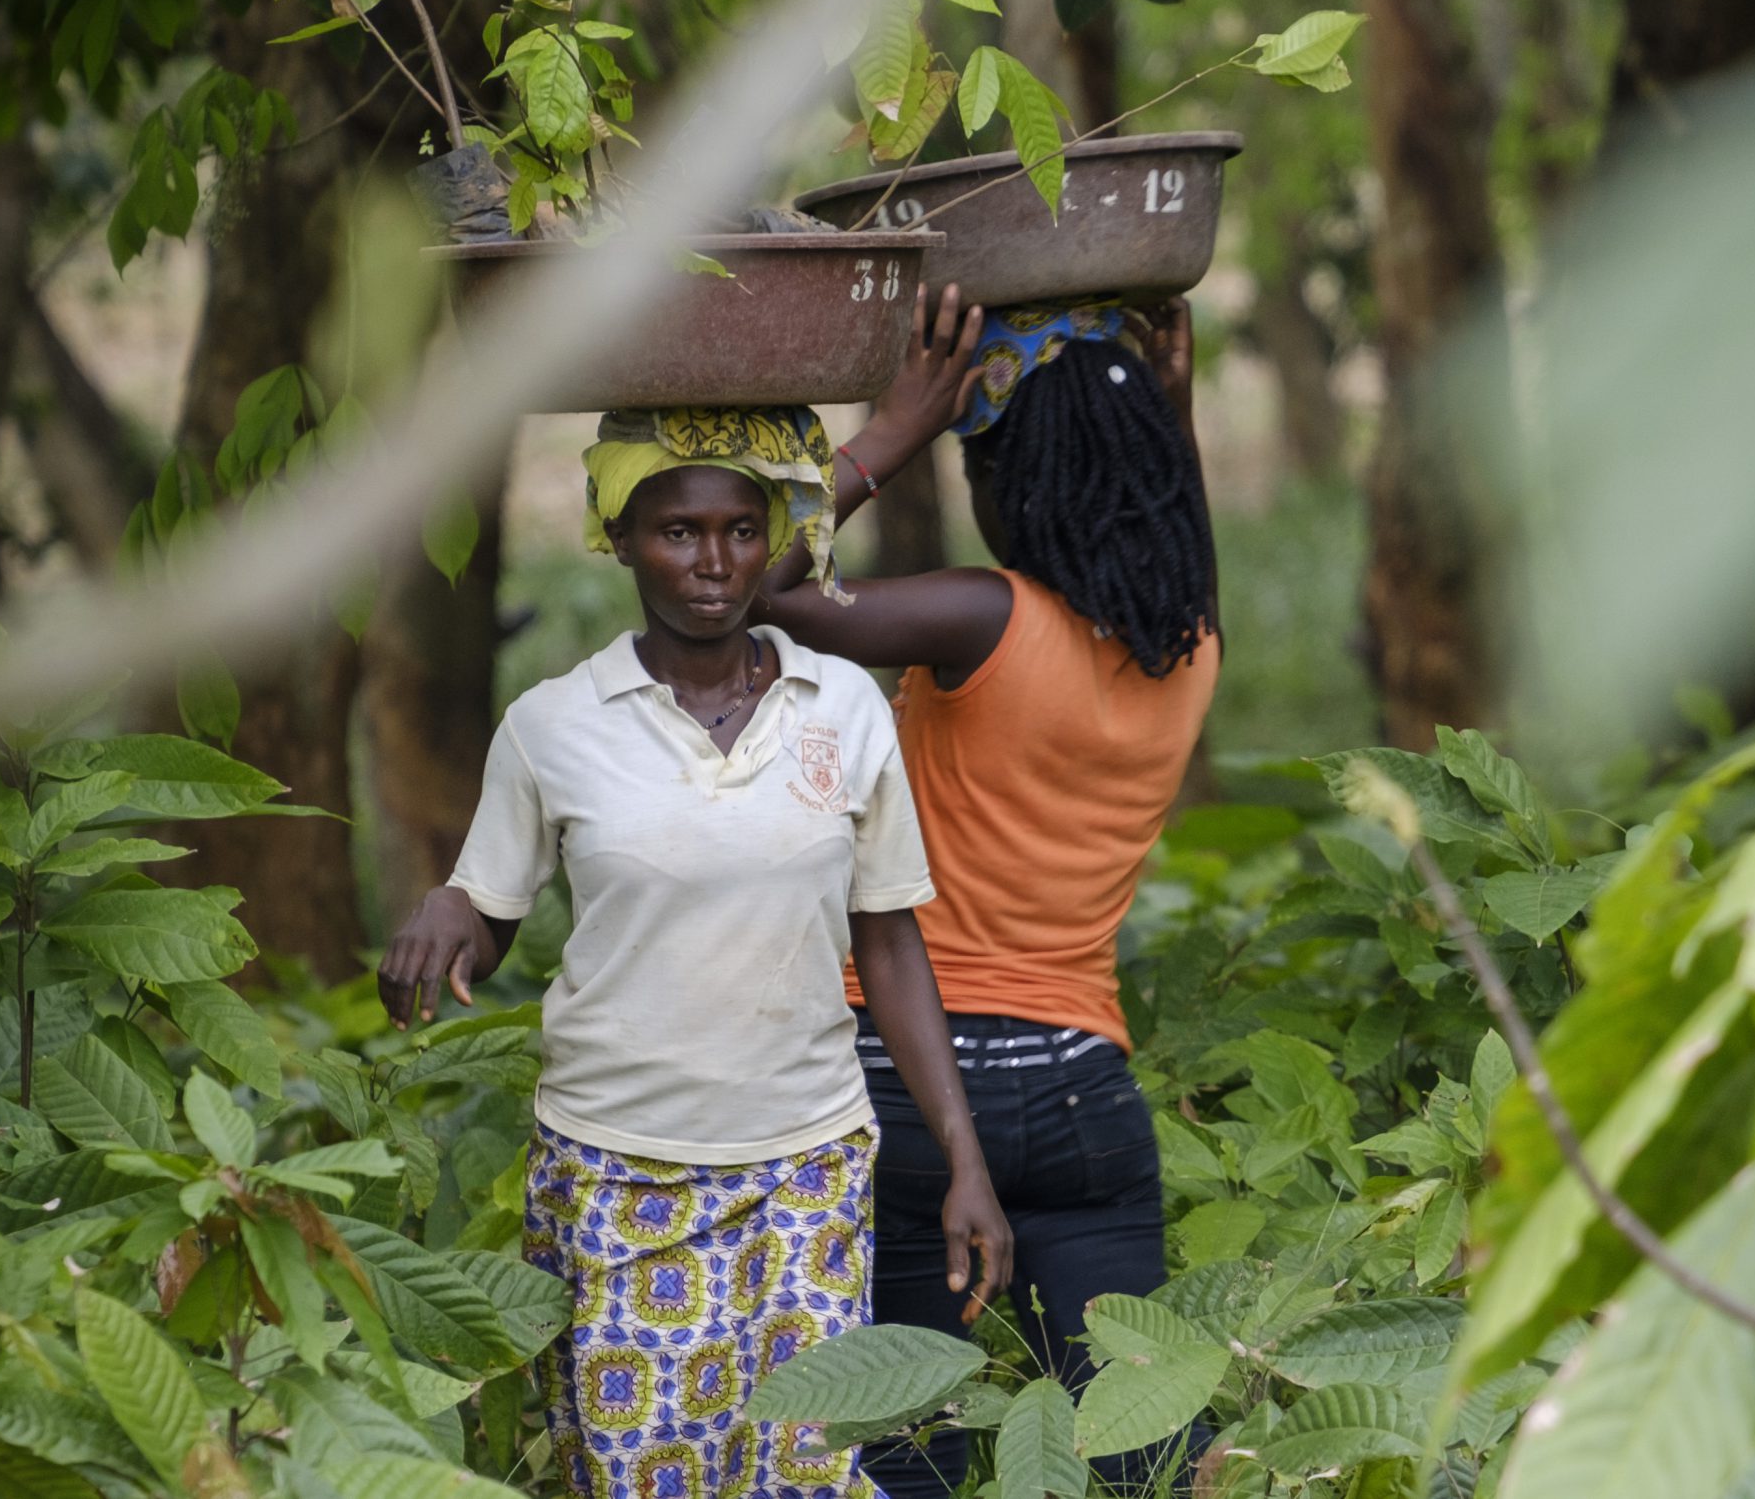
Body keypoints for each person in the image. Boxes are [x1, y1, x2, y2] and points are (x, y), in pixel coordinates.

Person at [377, 404, 1013, 1499]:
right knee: (643, 1474)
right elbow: (490, 911)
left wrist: (965, 1154)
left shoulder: (846, 707)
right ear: (617, 536)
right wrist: (446, 905)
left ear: (773, 540)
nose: (712, 563)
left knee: (804, 1474)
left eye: (738, 529)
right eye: (677, 531)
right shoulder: (552, 725)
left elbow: (890, 939)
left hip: (807, 1165)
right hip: (620, 1166)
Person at [753, 287, 1221, 1499]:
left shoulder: (983, 618)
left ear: (1013, 479)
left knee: (910, 1449)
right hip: (1083, 1096)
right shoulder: (1194, 647)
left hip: (909, 1087)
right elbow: (1176, 536)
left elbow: (754, 588)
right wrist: (1172, 413)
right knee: (1139, 1451)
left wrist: (895, 425)